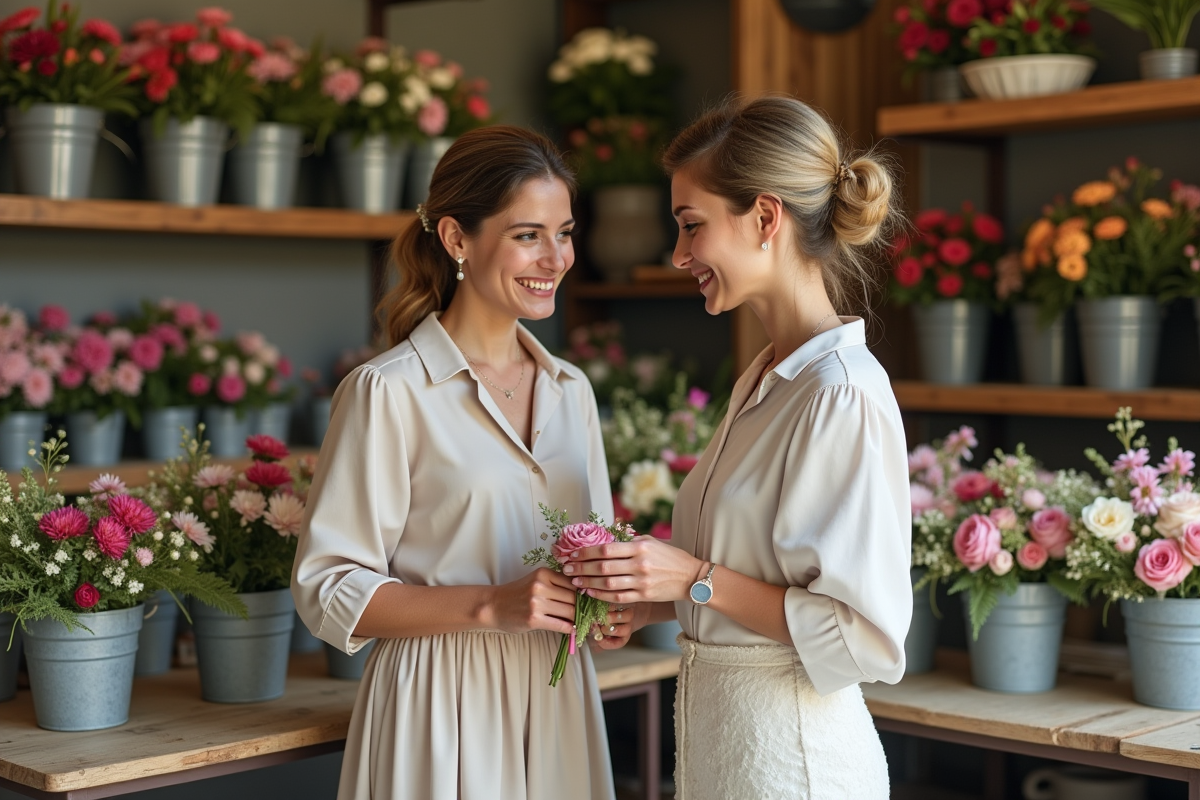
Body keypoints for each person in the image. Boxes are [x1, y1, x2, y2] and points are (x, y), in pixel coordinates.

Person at [563, 96, 913, 799]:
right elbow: (761, 585)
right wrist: (651, 601)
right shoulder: (767, 379)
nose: (679, 254)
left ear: (763, 218)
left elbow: (863, 638)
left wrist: (688, 577)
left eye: (692, 226)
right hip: (727, 758)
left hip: (798, 768)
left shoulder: (841, 393)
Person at [292, 126, 616, 800]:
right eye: (528, 234)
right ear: (457, 239)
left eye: (565, 232)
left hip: (558, 698)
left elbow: (594, 552)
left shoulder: (572, 392)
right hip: (438, 705)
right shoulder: (387, 391)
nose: (554, 257)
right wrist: (492, 606)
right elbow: (327, 588)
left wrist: (610, 600)